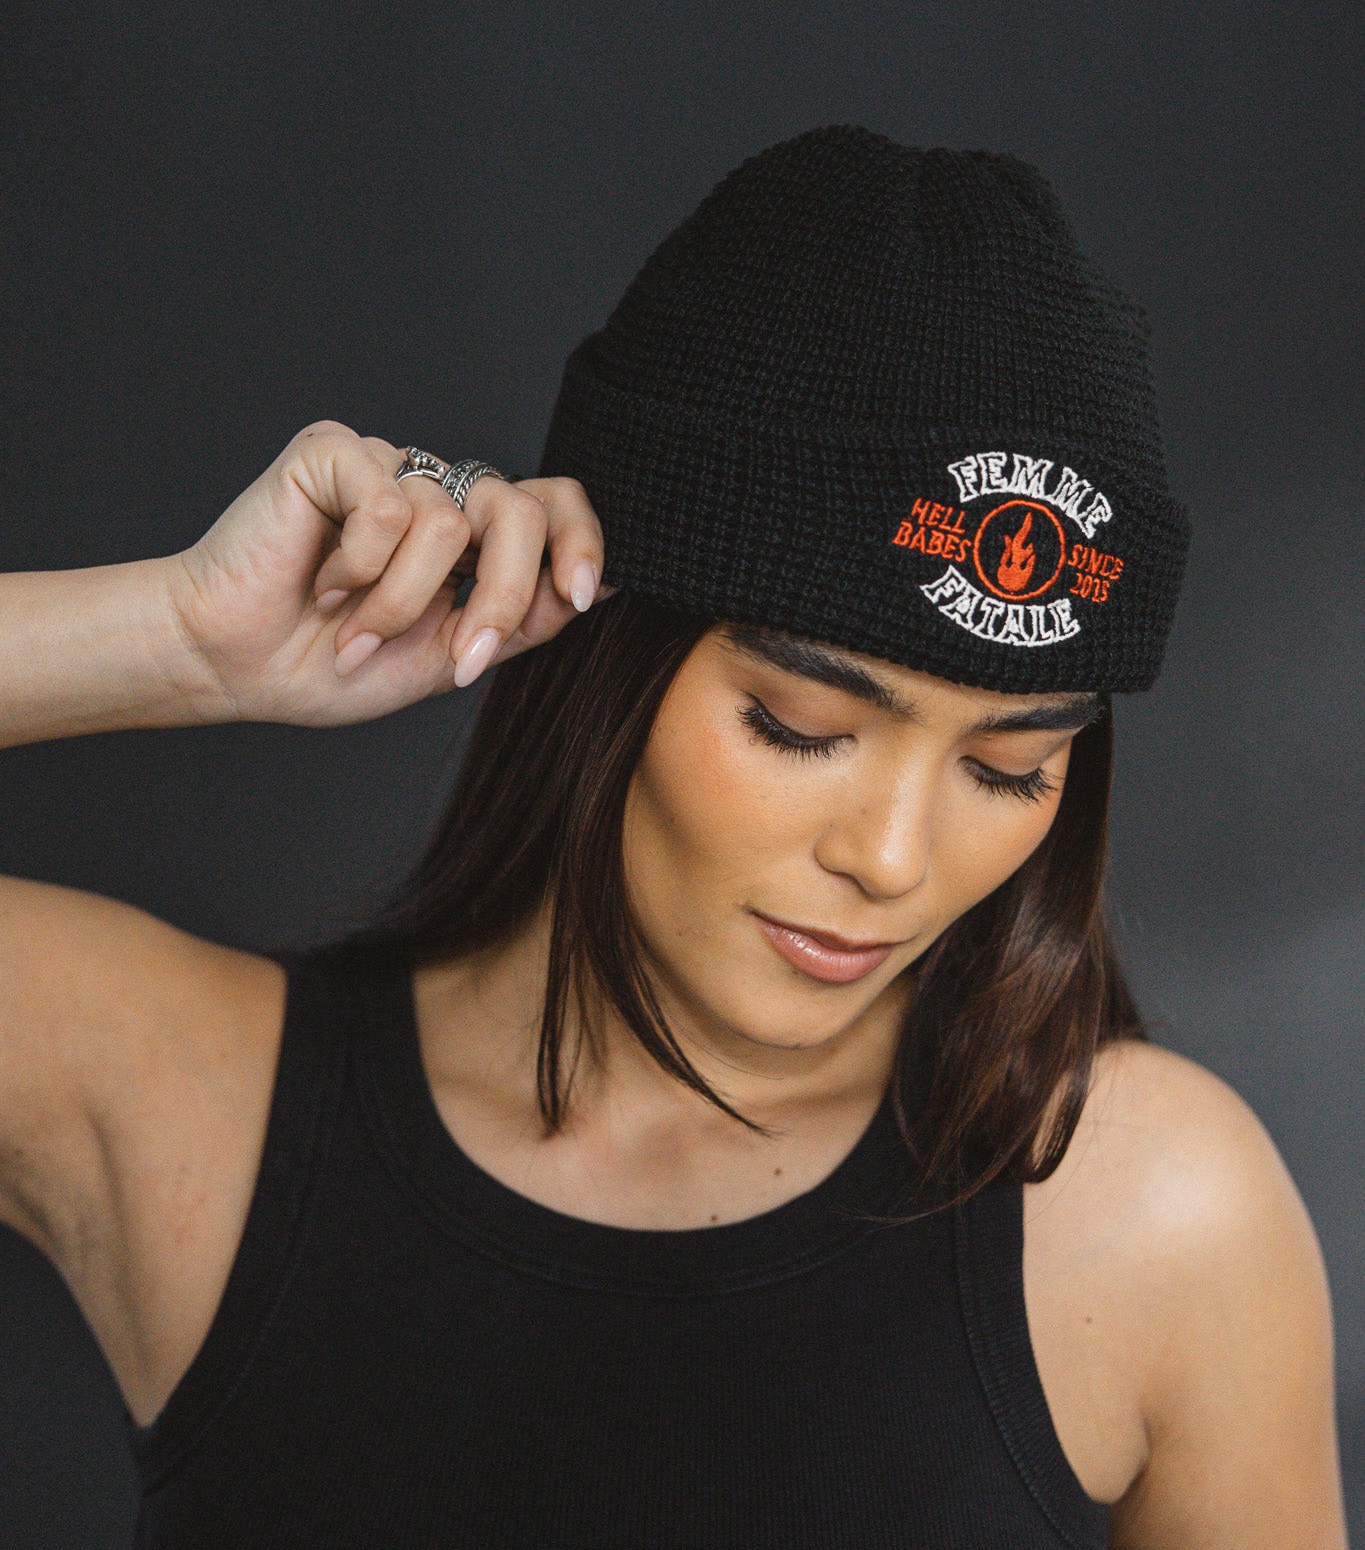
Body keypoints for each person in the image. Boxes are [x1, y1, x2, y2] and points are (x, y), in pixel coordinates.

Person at [0, 128, 1346, 1548]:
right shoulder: (184, 1099)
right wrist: (176, 642)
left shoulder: (1149, 1210)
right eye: (797, 725)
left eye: (1009, 768)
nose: (892, 860)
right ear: (609, 652)